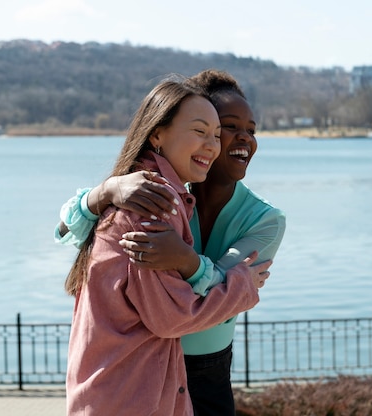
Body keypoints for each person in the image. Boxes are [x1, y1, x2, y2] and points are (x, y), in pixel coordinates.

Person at [57, 69, 286, 415]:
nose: (231, 140)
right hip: (143, 374)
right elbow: (65, 230)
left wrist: (186, 260)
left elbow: (213, 295)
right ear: (159, 134)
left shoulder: (263, 218)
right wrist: (104, 191)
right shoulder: (152, 198)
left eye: (250, 130)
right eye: (218, 129)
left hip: (193, 370)